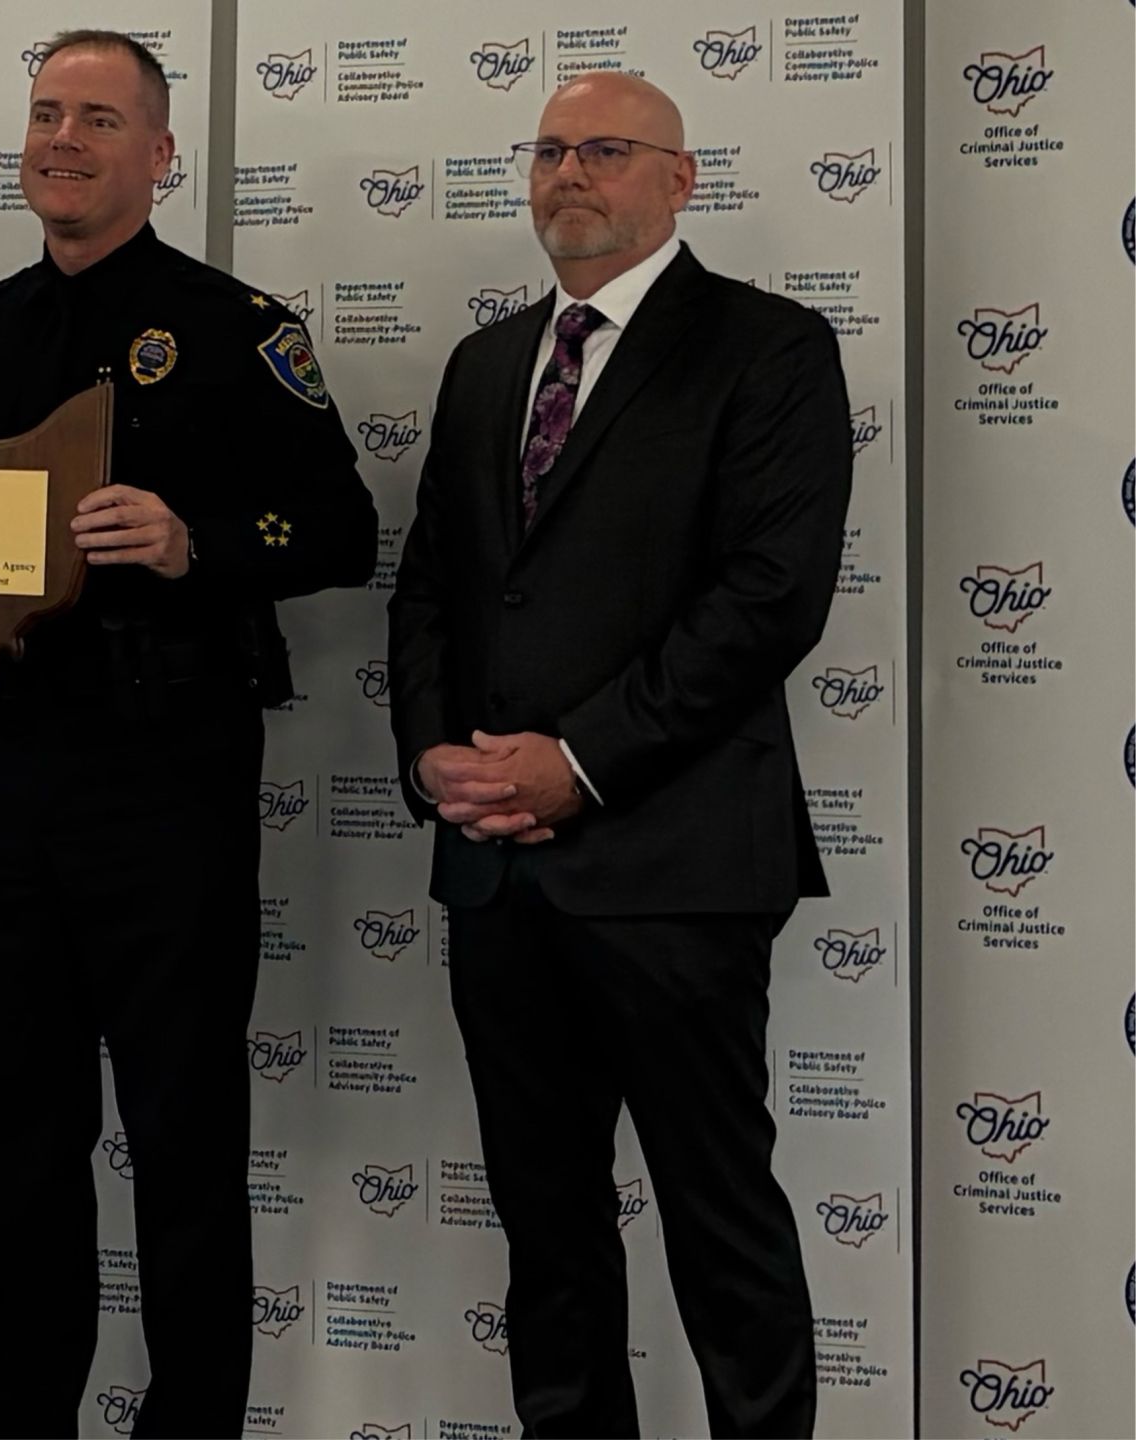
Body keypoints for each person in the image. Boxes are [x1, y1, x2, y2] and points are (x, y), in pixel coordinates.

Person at [0, 30, 376, 1437]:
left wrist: (194, 542)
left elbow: (340, 528)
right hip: (1, 794)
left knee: (184, 1140)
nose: (61, 139)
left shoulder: (237, 323)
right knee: (11, 1145)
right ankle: (14, 1421)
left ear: (160, 152)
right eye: (45, 113)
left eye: (98, 118)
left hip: (164, 785)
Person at [387, 73, 850, 1439]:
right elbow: (431, 593)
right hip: (495, 873)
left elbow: (769, 598)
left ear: (679, 179)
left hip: (676, 865)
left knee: (721, 1222)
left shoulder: (769, 349)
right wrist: (435, 759)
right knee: (548, 1234)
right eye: (548, 150)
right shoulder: (485, 366)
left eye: (604, 149)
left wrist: (575, 763)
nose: (569, 173)